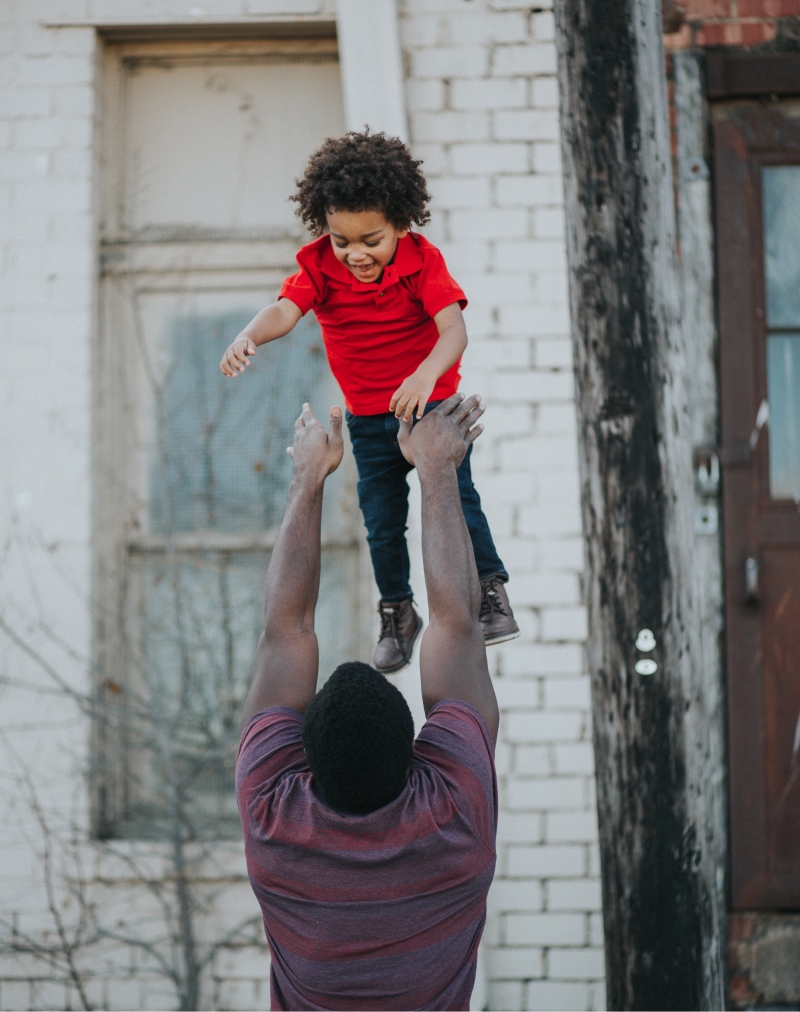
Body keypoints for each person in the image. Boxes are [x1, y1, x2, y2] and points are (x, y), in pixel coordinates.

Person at [236, 394, 499, 1012]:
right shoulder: (453, 817)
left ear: (304, 763)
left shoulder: (274, 819)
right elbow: (457, 628)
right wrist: (437, 472)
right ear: (416, 757)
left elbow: (285, 632)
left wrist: (308, 480)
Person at [220, 130, 518, 673]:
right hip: (368, 417)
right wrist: (249, 335)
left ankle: (490, 591)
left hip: (431, 408)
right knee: (381, 518)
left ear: (402, 225)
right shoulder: (319, 266)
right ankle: (397, 612)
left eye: (371, 240)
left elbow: (453, 330)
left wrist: (426, 376)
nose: (356, 253)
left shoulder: (424, 264)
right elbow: (285, 311)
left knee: (457, 497)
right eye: (342, 240)